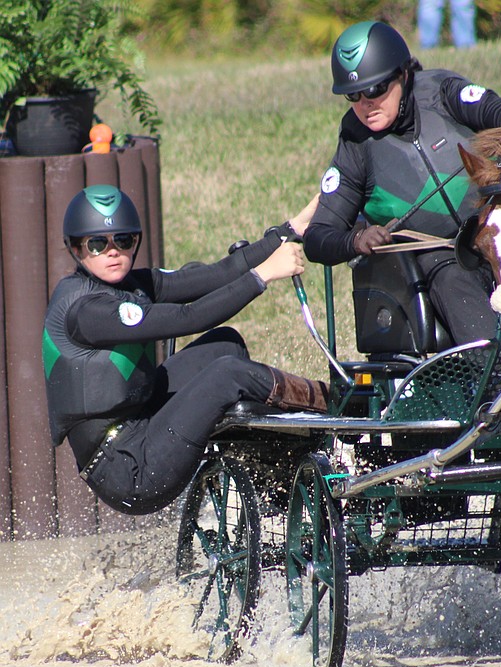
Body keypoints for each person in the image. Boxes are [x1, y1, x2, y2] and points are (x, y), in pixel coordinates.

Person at [43, 185, 327, 516]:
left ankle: (265, 464)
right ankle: (333, 407)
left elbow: (215, 275)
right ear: (76, 250)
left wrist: (286, 232)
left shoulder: (129, 284)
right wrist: (263, 275)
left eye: (124, 240)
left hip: (142, 421)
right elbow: (188, 317)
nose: (113, 251)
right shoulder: (88, 312)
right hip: (129, 470)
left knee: (224, 344)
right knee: (226, 374)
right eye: (97, 244)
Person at [301, 20, 501, 346]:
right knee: (450, 274)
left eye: (374, 90)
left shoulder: (443, 92)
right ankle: (497, 377)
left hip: (498, 234)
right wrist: (356, 240)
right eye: (353, 95)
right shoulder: (354, 142)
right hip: (443, 260)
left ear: (404, 74)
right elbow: (317, 237)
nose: (365, 104)